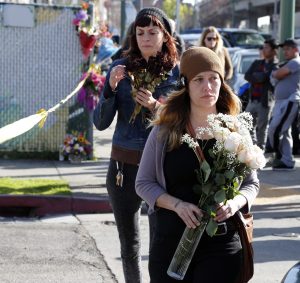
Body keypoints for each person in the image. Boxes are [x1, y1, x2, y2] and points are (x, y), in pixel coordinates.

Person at [136, 47, 259, 283]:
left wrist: (234, 203)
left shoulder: (235, 129)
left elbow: (251, 184)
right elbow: (143, 183)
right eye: (199, 80)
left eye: (214, 79)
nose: (208, 87)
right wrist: (177, 205)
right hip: (172, 241)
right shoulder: (165, 130)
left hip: (221, 243)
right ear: (186, 84)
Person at [93, 7, 179, 283]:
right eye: (140, 32)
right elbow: (100, 123)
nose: (145, 38)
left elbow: (183, 123)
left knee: (160, 245)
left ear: (165, 36)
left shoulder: (177, 72)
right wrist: (109, 87)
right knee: (129, 246)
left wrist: (157, 107)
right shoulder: (121, 66)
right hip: (123, 167)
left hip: (161, 169)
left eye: (152, 32)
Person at [268, 38, 300, 170]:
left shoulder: (295, 62)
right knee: (285, 133)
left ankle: (278, 156)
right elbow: (277, 75)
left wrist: (275, 73)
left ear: (296, 49)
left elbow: (279, 73)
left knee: (275, 129)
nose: (285, 51)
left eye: (288, 48)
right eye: (284, 49)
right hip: (281, 102)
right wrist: (276, 74)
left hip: (290, 100)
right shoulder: (287, 63)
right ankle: (286, 161)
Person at [244, 38, 279, 150]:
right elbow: (247, 76)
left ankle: (260, 150)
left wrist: (258, 76)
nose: (264, 50)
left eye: (267, 47)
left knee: (262, 128)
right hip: (253, 99)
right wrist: (260, 76)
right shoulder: (257, 63)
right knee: (245, 124)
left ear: (274, 50)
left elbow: (267, 77)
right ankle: (252, 146)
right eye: (263, 47)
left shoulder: (276, 65)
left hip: (265, 101)